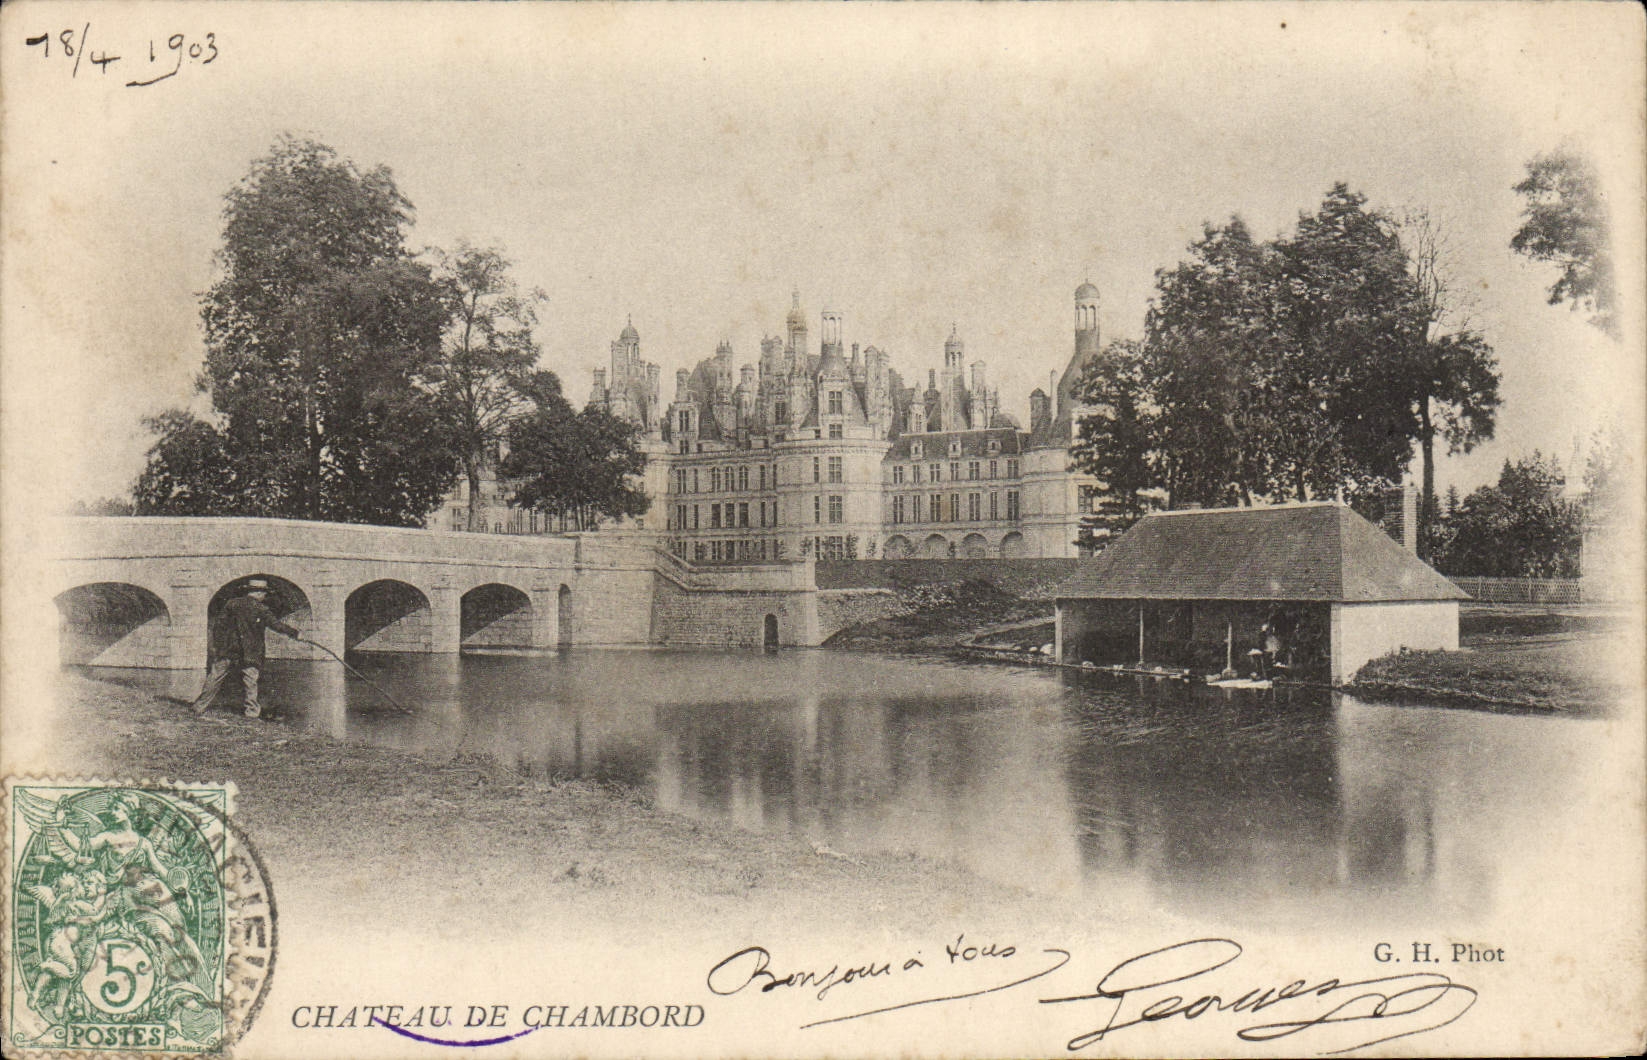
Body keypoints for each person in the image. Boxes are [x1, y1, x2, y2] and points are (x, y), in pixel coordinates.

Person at [191, 579, 299, 718]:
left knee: (215, 677)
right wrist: (294, 633)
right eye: (264, 593)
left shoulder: (232, 604)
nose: (265, 596)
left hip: (228, 649)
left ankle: (199, 706)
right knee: (251, 681)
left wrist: (220, 645)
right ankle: (251, 712)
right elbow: (276, 625)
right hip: (250, 652)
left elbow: (218, 626)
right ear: (259, 592)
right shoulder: (261, 608)